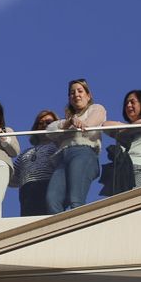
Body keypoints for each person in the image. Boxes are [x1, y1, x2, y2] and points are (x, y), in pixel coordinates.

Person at [46, 80, 107, 213]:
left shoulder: (96, 108)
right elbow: (49, 131)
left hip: (84, 152)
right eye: (72, 93)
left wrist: (77, 124)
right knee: (52, 199)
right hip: (63, 157)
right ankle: (60, 231)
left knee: (76, 198)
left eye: (80, 91)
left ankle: (78, 230)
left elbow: (89, 126)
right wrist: (69, 122)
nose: (76, 95)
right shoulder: (66, 120)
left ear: (88, 95)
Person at [104, 90, 141, 195]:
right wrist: (132, 128)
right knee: (118, 205)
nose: (128, 105)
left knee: (134, 200)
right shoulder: (122, 126)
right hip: (121, 171)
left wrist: (123, 132)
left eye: (132, 102)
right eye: (126, 103)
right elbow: (105, 126)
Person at [14, 110, 61, 217]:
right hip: (26, 190)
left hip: (47, 185)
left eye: (49, 122)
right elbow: (12, 177)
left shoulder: (58, 146)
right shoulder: (25, 152)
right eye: (40, 123)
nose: (44, 125)